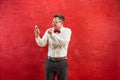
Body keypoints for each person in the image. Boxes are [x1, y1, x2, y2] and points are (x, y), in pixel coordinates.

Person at [34, 14, 72, 80]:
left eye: (56, 22)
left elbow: (63, 43)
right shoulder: (48, 30)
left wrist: (52, 34)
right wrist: (37, 36)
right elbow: (42, 44)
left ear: (62, 22)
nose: (53, 24)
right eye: (52, 22)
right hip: (50, 61)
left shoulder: (67, 31)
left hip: (62, 62)